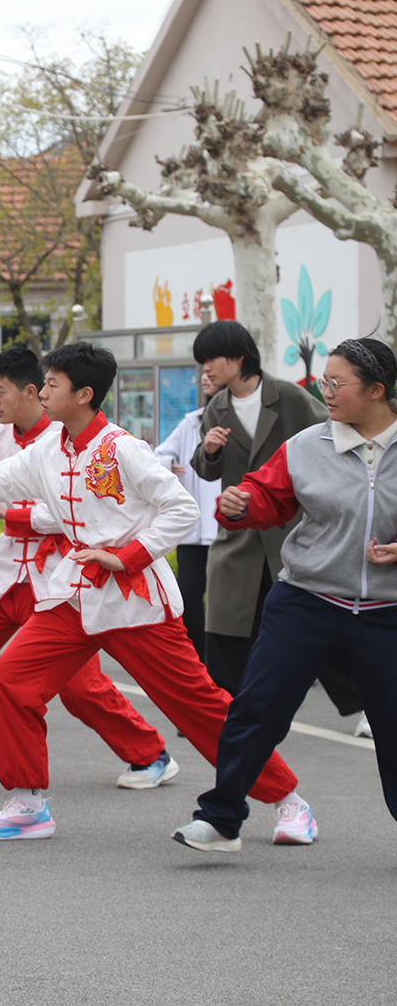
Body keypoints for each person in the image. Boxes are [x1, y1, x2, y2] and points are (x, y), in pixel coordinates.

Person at [0, 342, 308, 843]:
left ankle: (289, 800)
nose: (42, 392)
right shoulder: (48, 448)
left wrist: (129, 555)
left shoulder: (122, 448)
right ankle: (27, 804)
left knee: (199, 707)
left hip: (136, 601)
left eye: (51, 384)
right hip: (75, 595)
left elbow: (182, 508)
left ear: (84, 394)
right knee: (10, 679)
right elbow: (1, 479)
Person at [0, 347, 172, 788]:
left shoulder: (75, 440)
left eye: (0, 391)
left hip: (62, 577)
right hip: (5, 573)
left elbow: (81, 514)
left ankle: (151, 754)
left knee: (80, 687)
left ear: (32, 391)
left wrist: (15, 515)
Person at [173, 338, 397, 851]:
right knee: (256, 709)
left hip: (385, 612)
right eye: (324, 381)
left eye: (337, 383)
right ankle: (221, 819)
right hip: (306, 601)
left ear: (377, 390)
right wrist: (240, 503)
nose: (326, 391)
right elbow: (267, 495)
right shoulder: (306, 445)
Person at [190, 321, 362, 722]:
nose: (206, 369)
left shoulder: (289, 396)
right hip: (237, 537)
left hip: (291, 533)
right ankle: (224, 714)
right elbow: (208, 471)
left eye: (212, 359)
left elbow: (332, 438)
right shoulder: (216, 408)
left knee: (311, 626)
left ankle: (367, 704)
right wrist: (209, 451)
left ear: (238, 358)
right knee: (227, 628)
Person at [153, 373, 222, 658]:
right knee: (189, 597)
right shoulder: (191, 422)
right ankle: (198, 657)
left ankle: (221, 661)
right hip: (194, 532)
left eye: (211, 370)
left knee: (224, 603)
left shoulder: (242, 422)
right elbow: (157, 455)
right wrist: (169, 463)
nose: (206, 376)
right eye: (203, 371)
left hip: (227, 531)